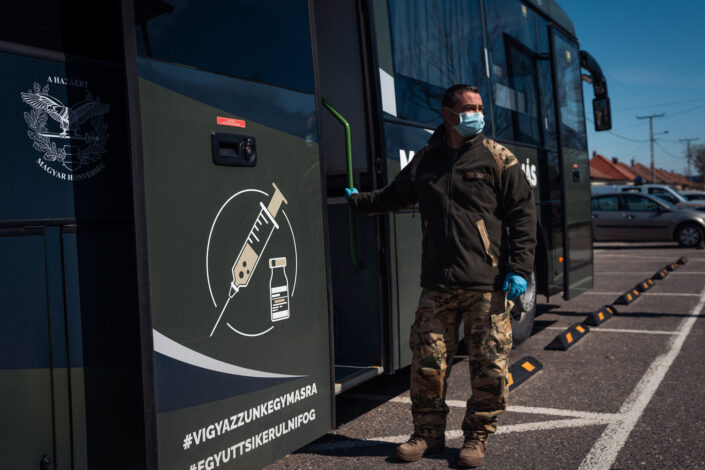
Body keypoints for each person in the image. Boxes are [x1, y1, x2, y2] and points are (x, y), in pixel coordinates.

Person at [345, 84, 536, 468]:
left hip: (487, 285)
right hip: (438, 284)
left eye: (480, 108)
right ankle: (427, 435)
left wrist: (519, 269)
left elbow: (523, 217)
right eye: (470, 108)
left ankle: (477, 437)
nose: (478, 114)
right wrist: (358, 201)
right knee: (427, 364)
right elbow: (394, 196)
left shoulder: (499, 158)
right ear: (448, 114)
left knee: (489, 368)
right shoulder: (426, 160)